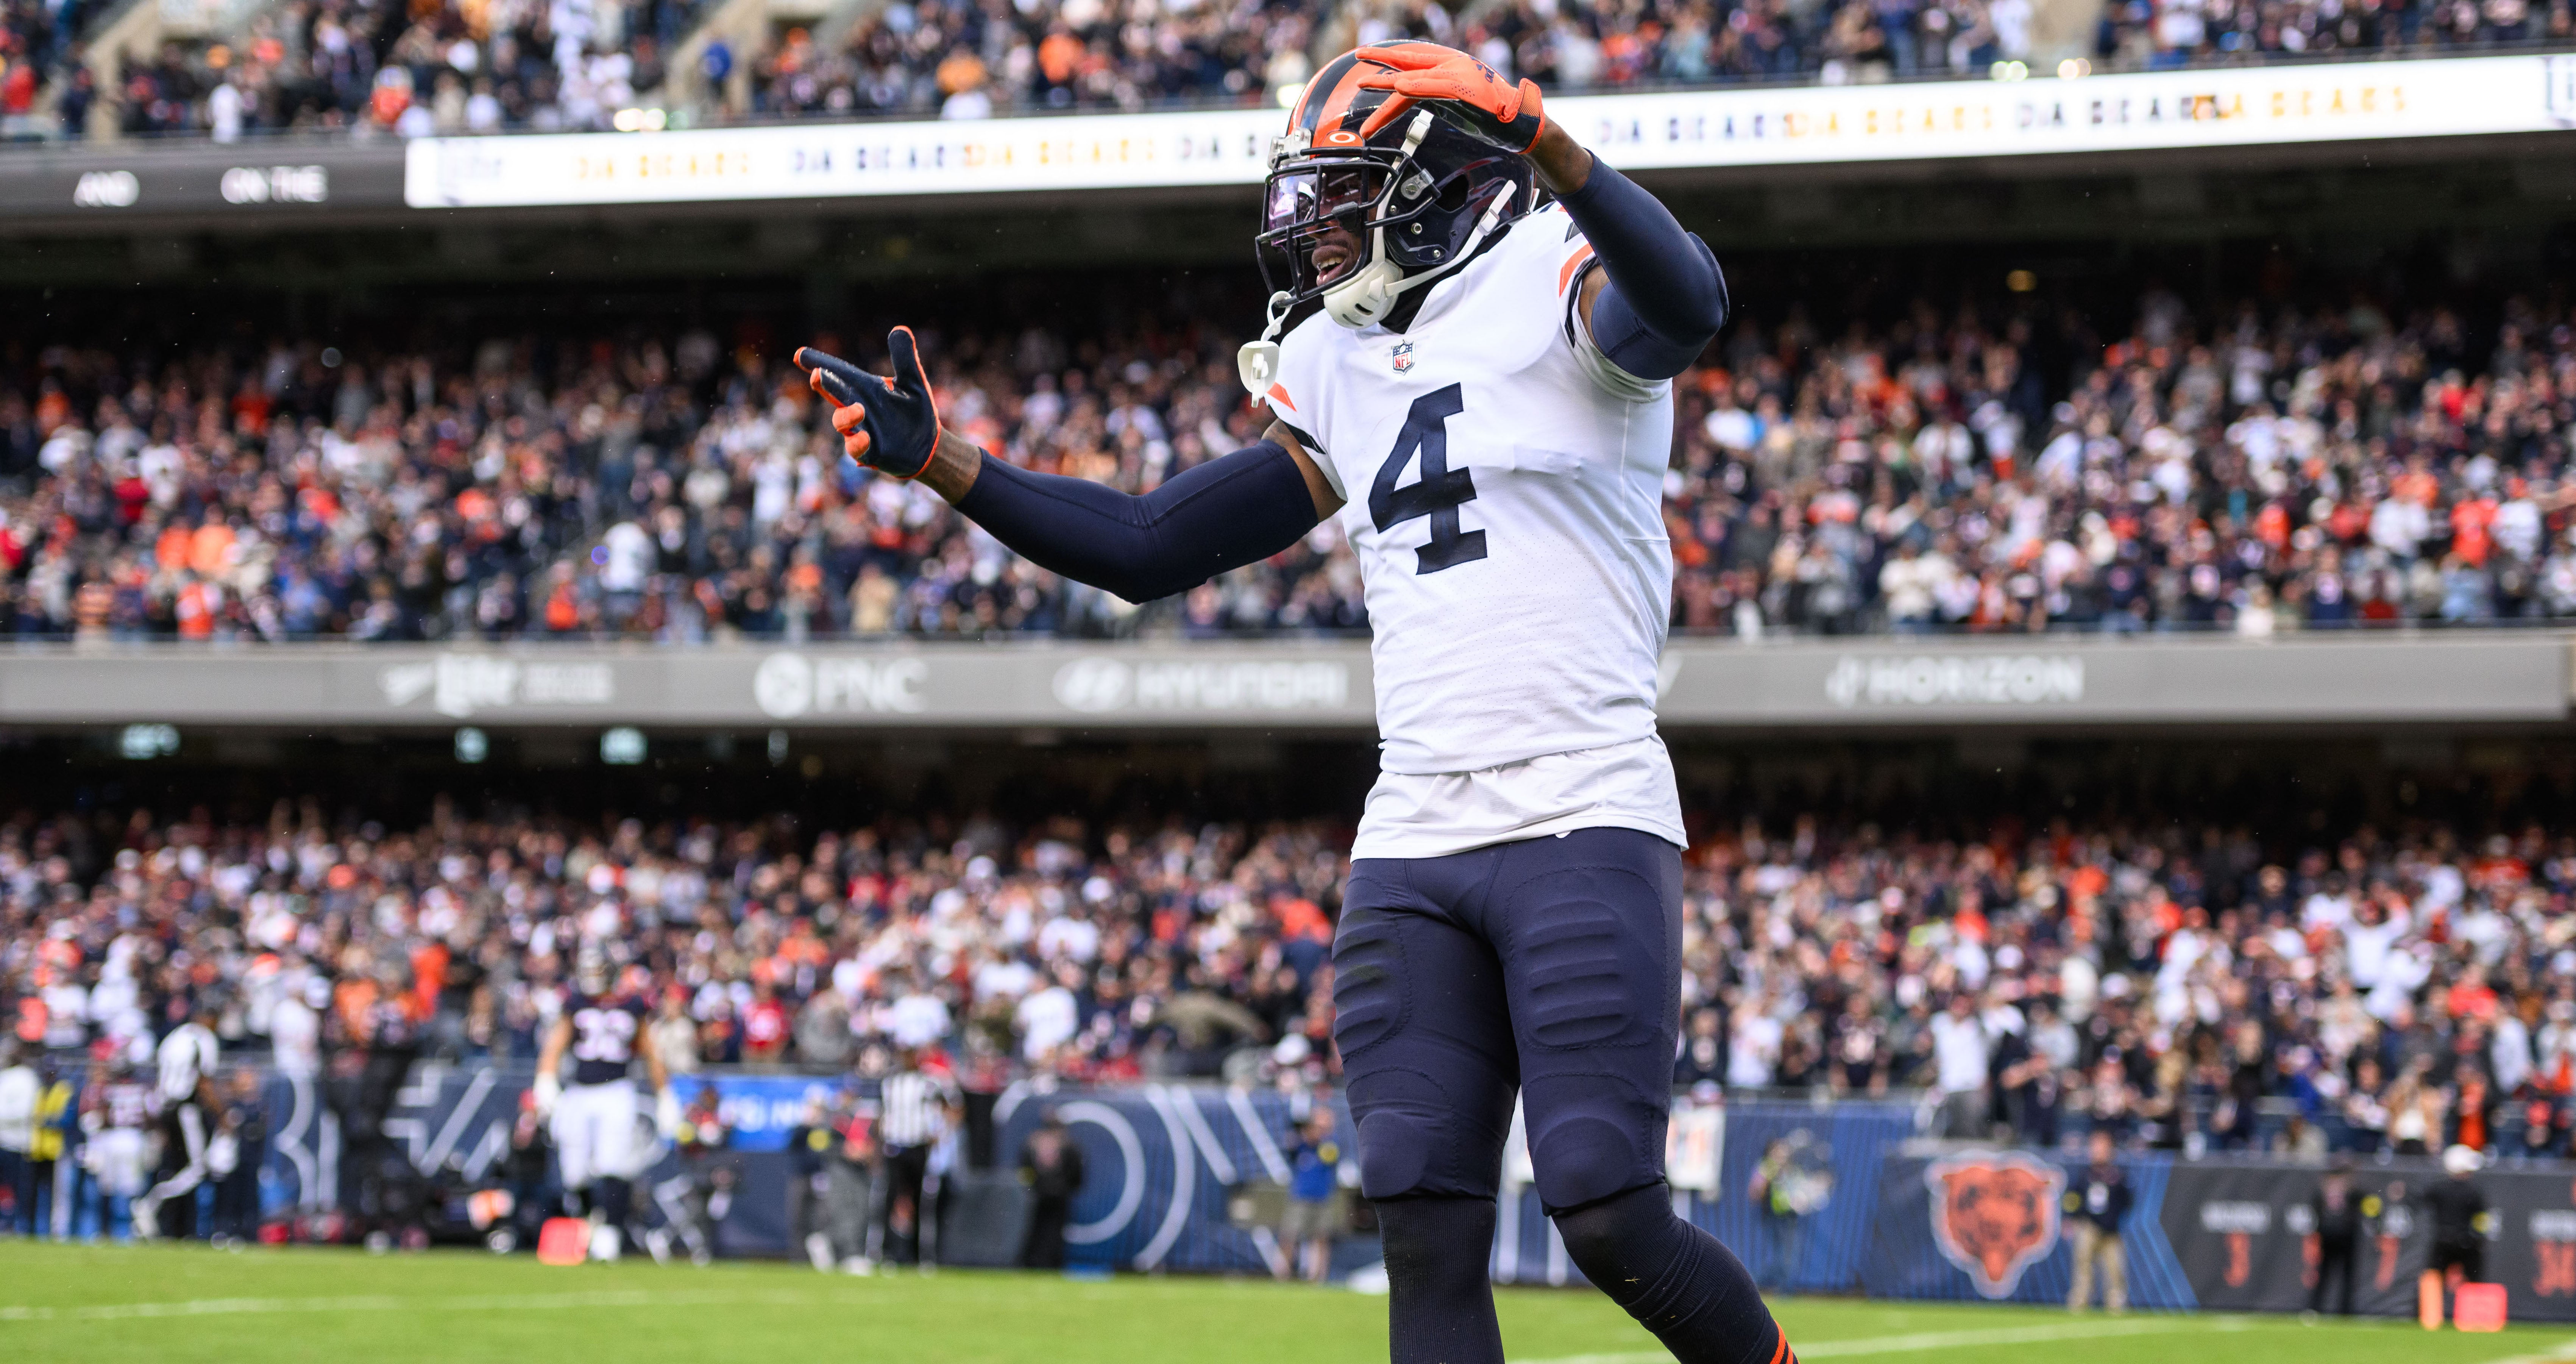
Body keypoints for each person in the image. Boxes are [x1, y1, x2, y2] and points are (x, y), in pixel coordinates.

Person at [793, 38, 1775, 1364]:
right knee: (1423, 1240)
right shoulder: (1336, 358)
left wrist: (1547, 138)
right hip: (1415, 834)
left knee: (1607, 1213)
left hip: (1582, 807)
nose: (1309, 228)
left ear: (1430, 184)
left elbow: (1689, 299)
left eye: (1342, 191)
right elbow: (1148, 545)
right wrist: (951, 464)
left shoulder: (1555, 271)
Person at [534, 950, 678, 1259]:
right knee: (573, 1171)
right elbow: (556, 1042)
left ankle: (611, 1231)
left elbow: (650, 1051)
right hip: (579, 1091)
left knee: (614, 1164)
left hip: (617, 1089)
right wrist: (545, 1077)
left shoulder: (633, 1005)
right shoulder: (575, 1003)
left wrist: (665, 1094)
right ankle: (590, 1221)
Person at [134, 1001, 220, 1239]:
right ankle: (151, 1204)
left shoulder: (174, 1036)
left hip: (164, 1108)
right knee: (196, 1168)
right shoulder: (203, 1038)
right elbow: (204, 1082)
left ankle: (173, 1228)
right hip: (185, 1109)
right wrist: (223, 1115)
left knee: (175, 1166)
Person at [875, 1047, 958, 1267]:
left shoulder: (929, 1082)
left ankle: (919, 1256)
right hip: (895, 1145)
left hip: (919, 1146)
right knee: (890, 1199)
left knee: (921, 1201)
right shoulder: (890, 1083)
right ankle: (887, 1253)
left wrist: (941, 1133)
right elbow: (881, 1114)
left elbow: (952, 1108)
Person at [2418, 1144, 2493, 1327]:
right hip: (2466, 1242)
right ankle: (2473, 1319)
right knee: (2473, 1279)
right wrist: (2478, 1239)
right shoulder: (2473, 1191)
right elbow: (2481, 1220)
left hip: (2442, 1241)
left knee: (2433, 1278)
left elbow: (2421, 1200)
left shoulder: (2439, 1188)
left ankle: (2430, 1319)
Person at [2065, 1130, 2131, 1314]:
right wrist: (2072, 1218)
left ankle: (2116, 1302)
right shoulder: (2084, 1175)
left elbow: (2126, 1202)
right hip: (2089, 1227)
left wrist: (2114, 1219)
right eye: (2095, 1146)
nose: (2098, 1151)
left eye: (2102, 1147)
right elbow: (2072, 1199)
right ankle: (2081, 1300)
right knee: (2083, 1264)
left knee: (2115, 1268)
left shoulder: (2118, 1177)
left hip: (2111, 1231)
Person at [1281, 1108, 1345, 1282]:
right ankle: (1283, 1275)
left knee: (1321, 1238)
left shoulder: (1330, 1144)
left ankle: (1317, 1277)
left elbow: (1331, 1155)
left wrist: (1321, 1137)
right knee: (1290, 1235)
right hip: (1300, 1197)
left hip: (1323, 1198)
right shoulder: (1300, 1146)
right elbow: (1289, 1147)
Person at [1017, 1106, 1084, 1270]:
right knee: (1053, 1232)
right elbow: (1076, 1172)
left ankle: (1033, 1262)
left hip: (1040, 1194)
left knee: (1037, 1230)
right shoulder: (1068, 1145)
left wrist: (1031, 1188)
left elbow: (1025, 1169)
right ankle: (1050, 1263)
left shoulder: (1033, 1142)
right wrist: (1067, 1188)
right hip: (1058, 1195)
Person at [2307, 1157, 2362, 1317]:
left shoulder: (2335, 1188)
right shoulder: (2347, 1188)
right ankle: (2328, 1309)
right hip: (2336, 1236)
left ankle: (2341, 1310)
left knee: (2339, 1276)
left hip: (2340, 1236)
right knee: (2329, 1275)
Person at [0, 1044, 33, 1230]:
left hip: (15, 1142)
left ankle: (14, 1224)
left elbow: (24, 1111)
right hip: (3, 1140)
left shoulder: (25, 1078)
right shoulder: (5, 1076)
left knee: (14, 1187)